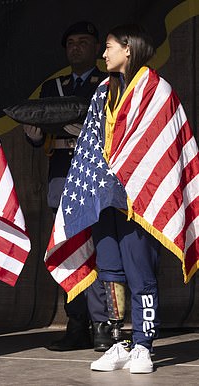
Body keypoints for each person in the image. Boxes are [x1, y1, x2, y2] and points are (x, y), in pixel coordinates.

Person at [87, 24, 194, 374]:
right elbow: (93, 142)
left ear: (128, 49)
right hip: (104, 196)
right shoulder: (104, 90)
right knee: (110, 272)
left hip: (140, 199)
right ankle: (118, 342)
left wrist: (124, 172)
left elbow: (159, 148)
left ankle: (144, 344)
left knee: (139, 272)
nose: (104, 54)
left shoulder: (156, 88)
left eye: (108, 46)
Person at [23, 21, 112, 352]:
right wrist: (33, 135)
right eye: (71, 42)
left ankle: (105, 324)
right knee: (68, 250)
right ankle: (77, 324)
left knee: (100, 253)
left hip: (95, 177)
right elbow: (41, 134)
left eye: (83, 42)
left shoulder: (107, 83)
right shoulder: (52, 87)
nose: (76, 47)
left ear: (96, 47)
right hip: (62, 177)